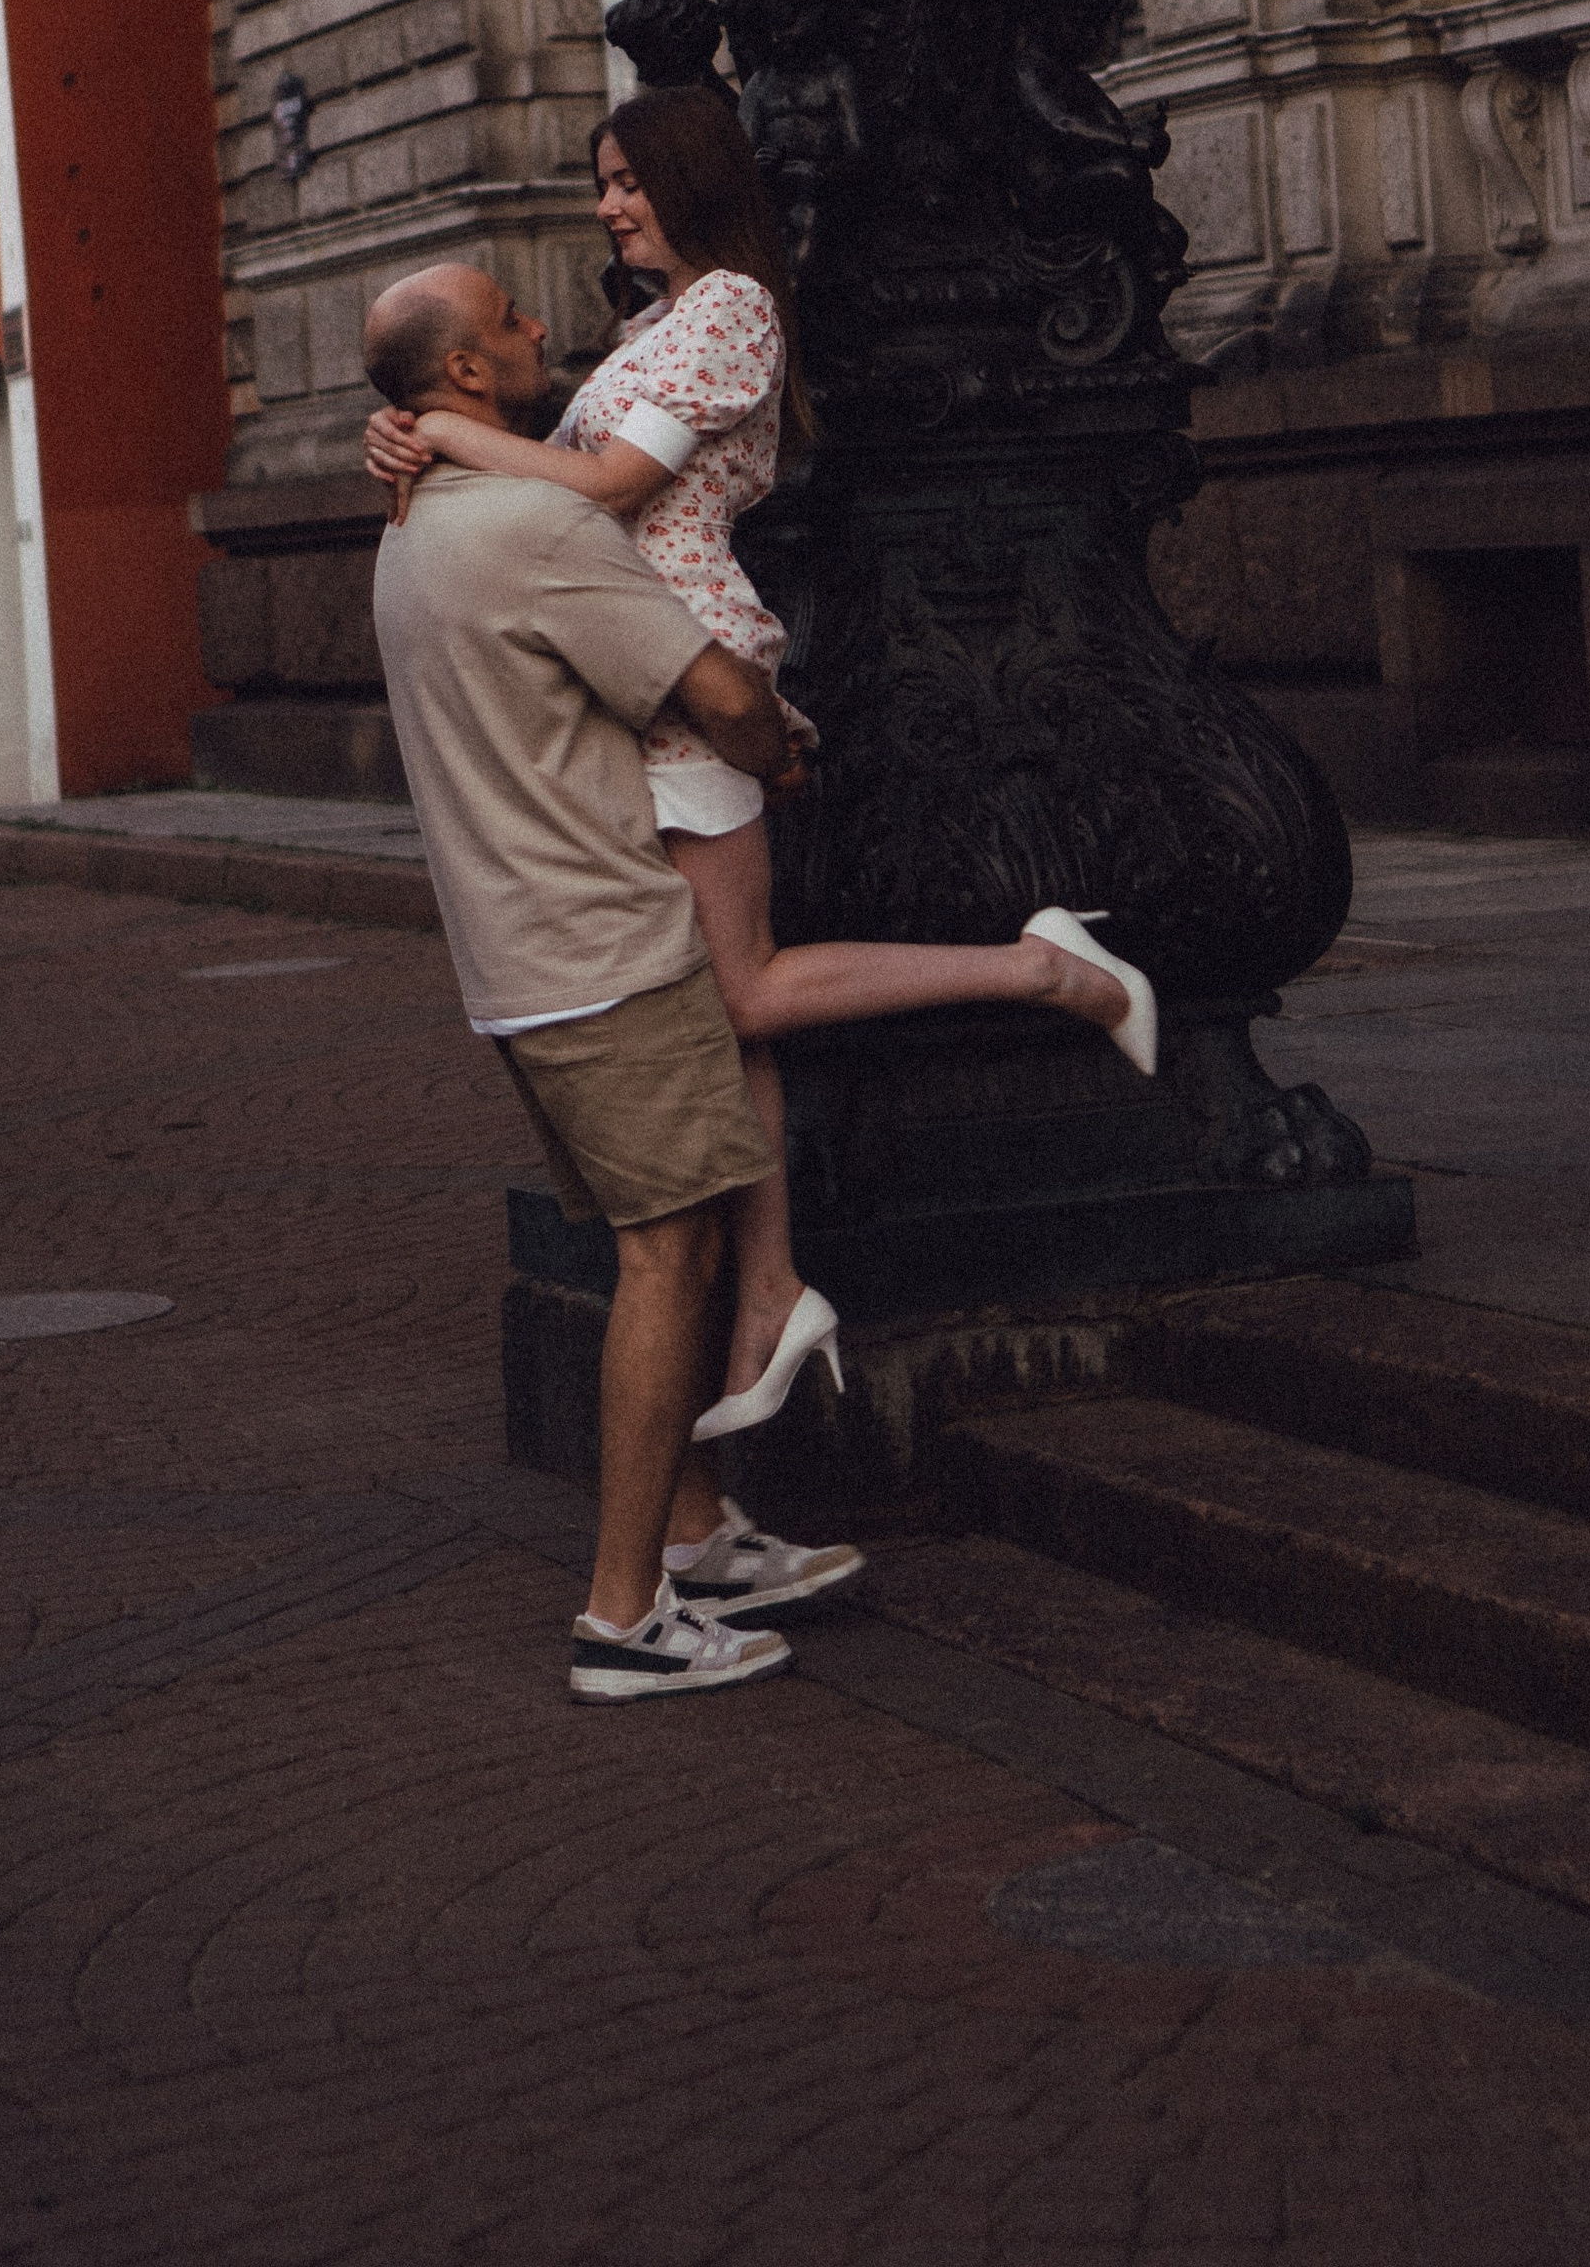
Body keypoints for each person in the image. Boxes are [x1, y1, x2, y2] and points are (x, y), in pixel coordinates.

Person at [362, 92, 1155, 1439]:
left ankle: (1044, 967)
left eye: (629, 181)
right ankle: (772, 1291)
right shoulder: (649, 330)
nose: (608, 207)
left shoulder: (731, 309)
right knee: (721, 1010)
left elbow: (608, 488)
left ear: (691, 183)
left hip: (692, 678)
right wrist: (400, 430)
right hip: (627, 681)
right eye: (603, 183)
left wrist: (442, 432)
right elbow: (537, 484)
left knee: (737, 992)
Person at [365, 256, 866, 1703]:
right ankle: (624, 1616)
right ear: (467, 375)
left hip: (515, 963)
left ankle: (696, 1536)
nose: (541, 327)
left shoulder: (409, 526)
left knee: (652, 1245)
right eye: (509, 319)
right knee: (673, 1259)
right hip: (606, 953)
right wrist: (780, 747)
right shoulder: (538, 525)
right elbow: (716, 691)